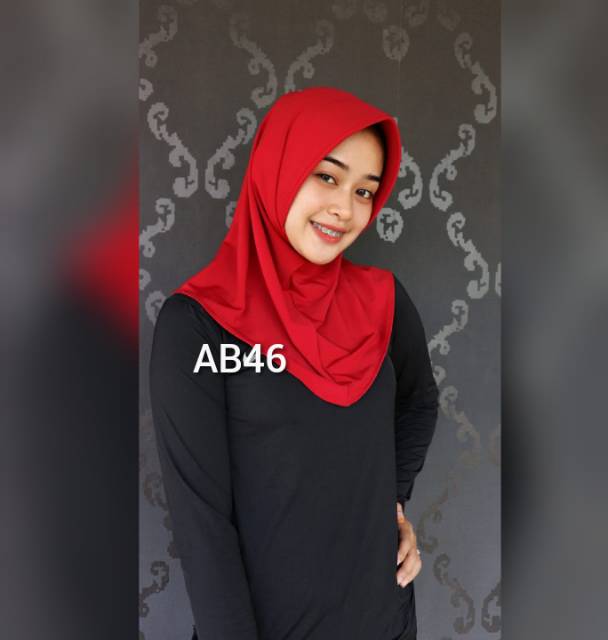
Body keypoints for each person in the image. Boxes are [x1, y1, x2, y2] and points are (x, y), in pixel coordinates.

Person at [149, 86, 439, 640]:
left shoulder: (383, 301)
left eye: (364, 190)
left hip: (384, 620)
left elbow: (419, 401)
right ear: (277, 168)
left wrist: (393, 503)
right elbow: (203, 526)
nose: (345, 208)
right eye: (327, 176)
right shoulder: (199, 325)